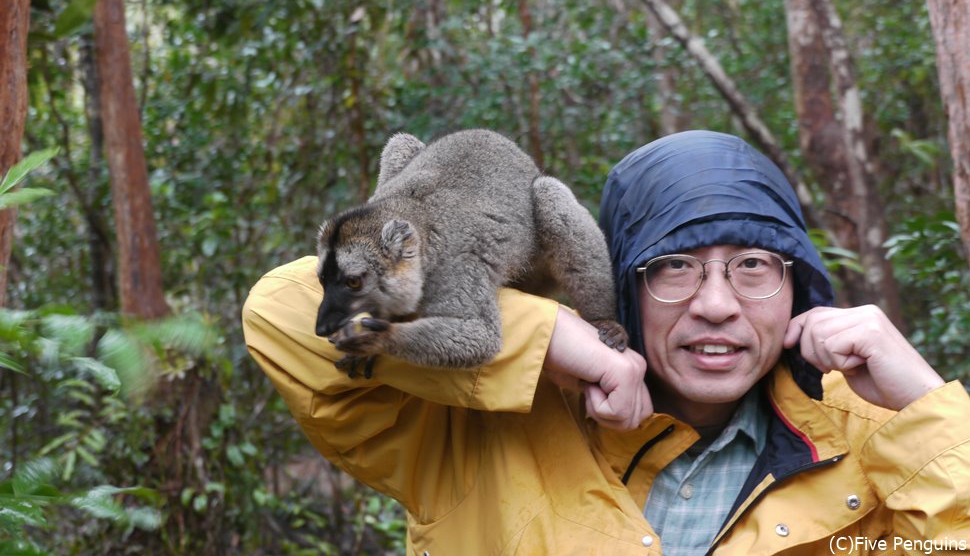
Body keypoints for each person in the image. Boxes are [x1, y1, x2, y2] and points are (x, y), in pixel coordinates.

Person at [242, 130, 970, 555]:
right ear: (621, 284)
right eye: (675, 268)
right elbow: (279, 312)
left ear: (798, 289)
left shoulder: (878, 444)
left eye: (752, 266)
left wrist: (930, 412)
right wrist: (544, 334)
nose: (715, 305)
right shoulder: (478, 427)